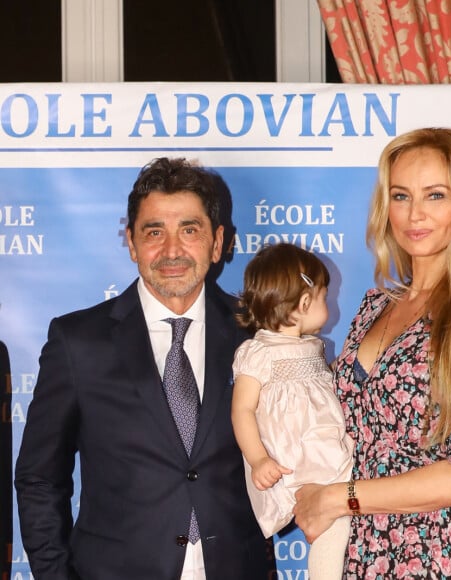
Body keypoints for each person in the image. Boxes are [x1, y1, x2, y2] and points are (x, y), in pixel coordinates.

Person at [292, 128, 451, 578]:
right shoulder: (376, 305)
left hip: (426, 555)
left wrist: (336, 497)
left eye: (436, 195)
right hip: (347, 550)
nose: (414, 214)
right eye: (401, 196)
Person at [15, 157, 271, 580]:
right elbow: (40, 479)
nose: (172, 250)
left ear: (217, 241)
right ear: (131, 242)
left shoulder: (256, 333)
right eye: (154, 232)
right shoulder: (78, 342)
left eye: (189, 230)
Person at [231, 243, 354, 580]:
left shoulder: (313, 347)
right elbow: (241, 410)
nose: (329, 304)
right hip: (295, 460)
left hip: (325, 449)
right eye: (325, 297)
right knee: (335, 526)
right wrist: (258, 459)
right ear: (303, 303)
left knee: (346, 520)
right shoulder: (258, 352)